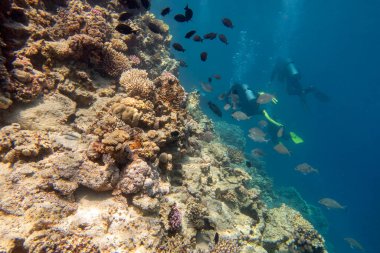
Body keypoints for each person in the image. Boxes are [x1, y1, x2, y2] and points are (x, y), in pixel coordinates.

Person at [225, 83, 304, 145]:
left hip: (254, 109)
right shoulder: (246, 93)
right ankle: (283, 134)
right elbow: (259, 94)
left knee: (270, 121)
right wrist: (270, 96)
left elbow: (245, 100)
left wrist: (231, 103)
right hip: (255, 109)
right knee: (269, 122)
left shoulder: (242, 94)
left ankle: (282, 129)